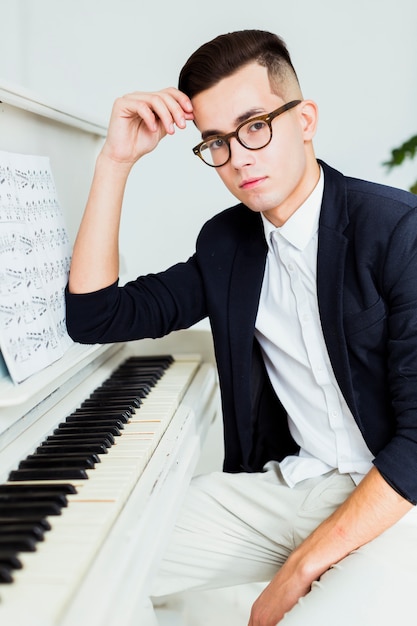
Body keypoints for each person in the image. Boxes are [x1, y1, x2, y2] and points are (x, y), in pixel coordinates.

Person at [65, 29, 417, 625]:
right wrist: (116, 160)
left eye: (255, 126)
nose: (240, 156)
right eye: (216, 142)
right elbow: (97, 315)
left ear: (304, 119)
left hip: (398, 502)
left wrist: (301, 568)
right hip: (297, 487)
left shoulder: (395, 231)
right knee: (90, 553)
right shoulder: (228, 243)